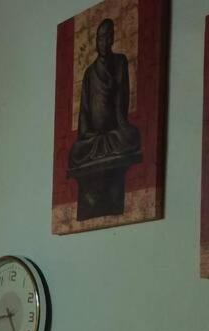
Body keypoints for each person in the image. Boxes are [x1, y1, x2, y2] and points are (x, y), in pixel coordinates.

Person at [68, 19, 142, 220]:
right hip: (92, 138)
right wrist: (86, 133)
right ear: (96, 41)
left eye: (108, 37)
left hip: (114, 132)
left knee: (131, 136)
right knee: (75, 151)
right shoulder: (89, 73)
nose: (104, 42)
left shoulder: (120, 62)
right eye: (100, 38)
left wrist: (120, 123)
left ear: (112, 39)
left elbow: (121, 99)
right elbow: (84, 110)